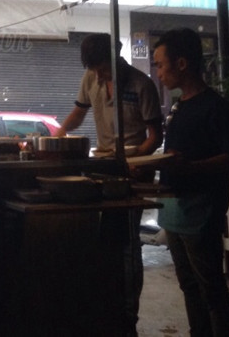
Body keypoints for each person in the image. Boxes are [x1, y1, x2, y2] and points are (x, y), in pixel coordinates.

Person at [57, 33, 162, 337]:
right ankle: (109, 311)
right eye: (94, 69)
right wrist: (58, 134)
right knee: (106, 242)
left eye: (103, 69)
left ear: (116, 57)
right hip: (104, 166)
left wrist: (137, 160)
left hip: (135, 170)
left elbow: (155, 136)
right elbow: (79, 112)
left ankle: (129, 316)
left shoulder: (142, 85)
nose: (99, 75)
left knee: (128, 242)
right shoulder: (91, 78)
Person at [152, 28, 229, 337]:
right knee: (189, 286)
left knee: (211, 289)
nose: (158, 73)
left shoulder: (215, 106)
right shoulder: (179, 106)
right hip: (174, 210)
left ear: (181, 63)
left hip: (201, 211)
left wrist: (190, 167)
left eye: (160, 64)